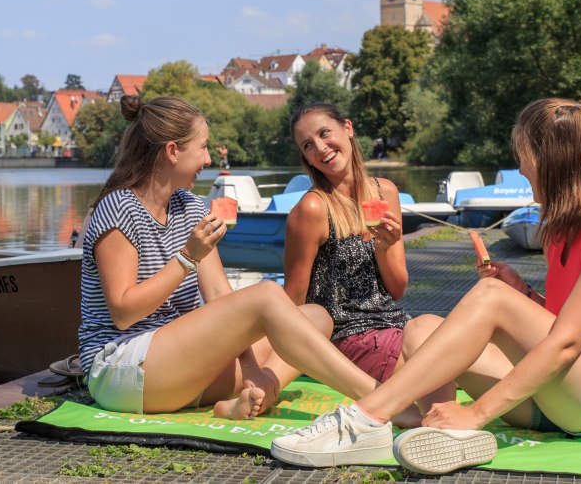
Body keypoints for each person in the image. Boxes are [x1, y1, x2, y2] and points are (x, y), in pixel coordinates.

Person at [271, 98, 581, 473]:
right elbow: (566, 327)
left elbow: (567, 344)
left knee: (490, 297)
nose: (521, 169)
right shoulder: (562, 227)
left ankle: (367, 419)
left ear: (550, 158)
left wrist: (480, 410)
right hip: (572, 395)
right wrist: (524, 294)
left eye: (524, 157)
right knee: (422, 329)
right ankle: (446, 435)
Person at [78, 95, 382, 421]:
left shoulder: (191, 208)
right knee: (266, 294)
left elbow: (220, 298)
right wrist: (187, 258)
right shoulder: (119, 207)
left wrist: (251, 369)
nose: (208, 159)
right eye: (203, 147)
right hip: (123, 371)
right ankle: (379, 398)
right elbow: (123, 312)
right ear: (172, 151)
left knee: (317, 317)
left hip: (182, 372)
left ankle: (258, 392)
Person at [283, 103, 441, 426]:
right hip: (345, 336)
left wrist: (387, 246)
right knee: (441, 359)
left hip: (394, 323)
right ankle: (440, 423)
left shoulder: (386, 192)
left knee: (443, 335)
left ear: (348, 129)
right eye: (308, 145)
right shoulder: (313, 208)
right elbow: (291, 305)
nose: (321, 149)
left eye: (324, 133)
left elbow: (396, 289)